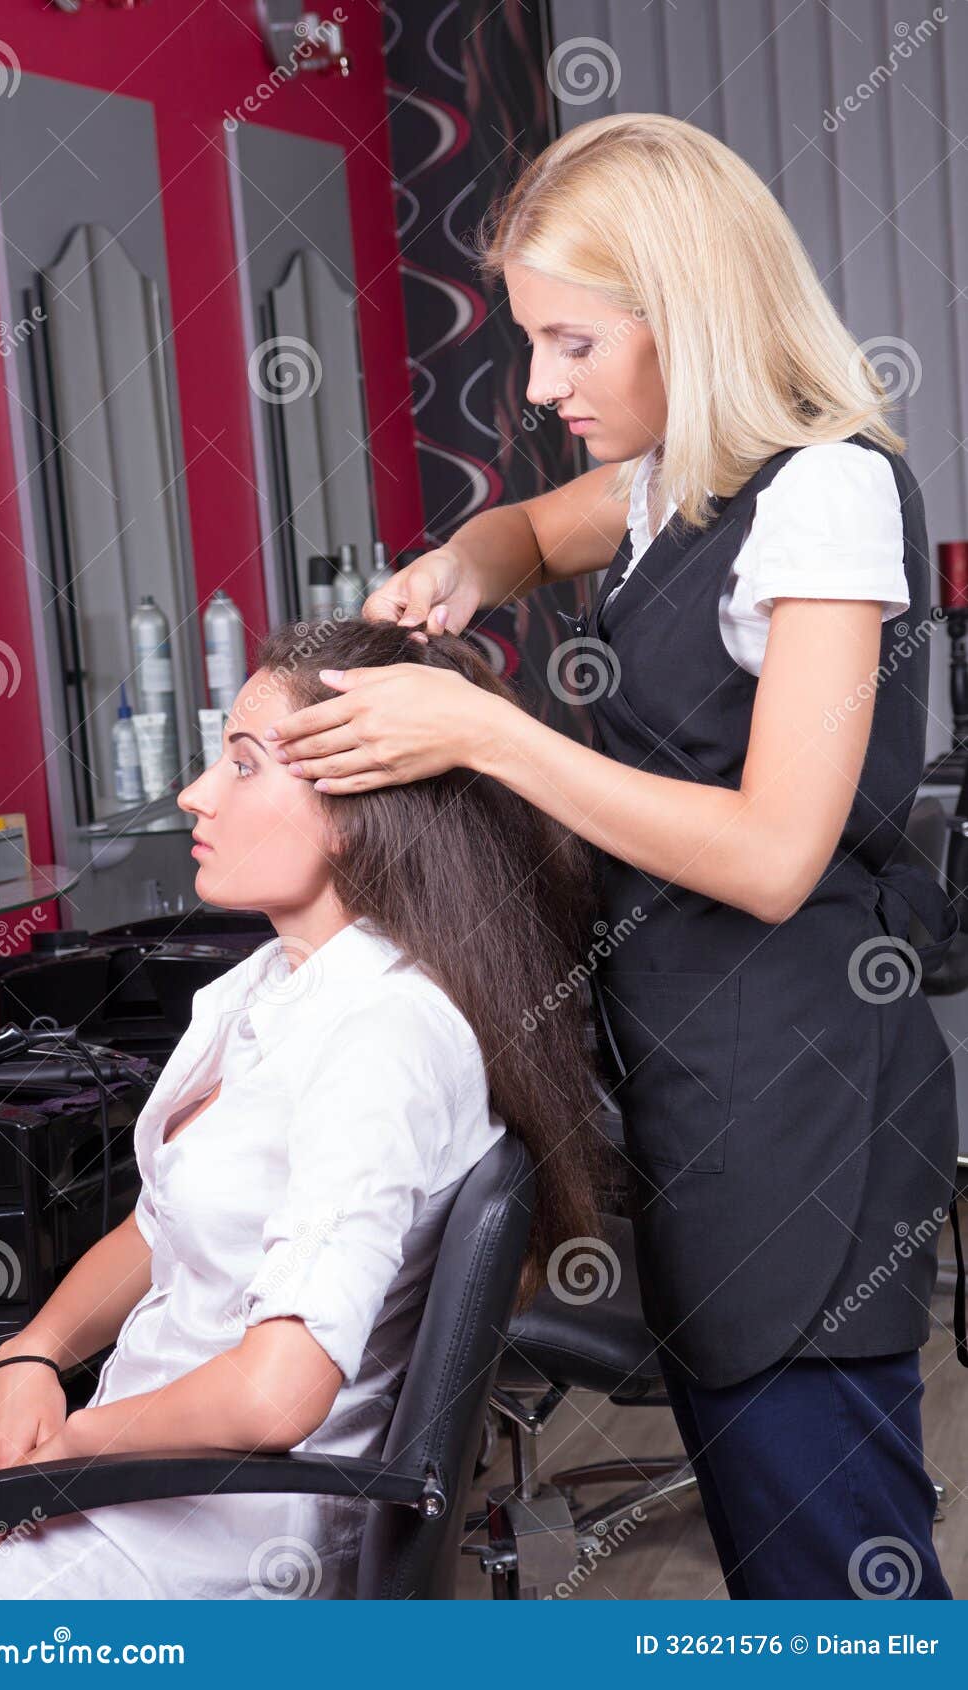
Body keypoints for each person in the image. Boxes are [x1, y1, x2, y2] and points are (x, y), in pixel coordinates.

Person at [262, 113, 965, 1599]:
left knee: (830, 1584)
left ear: (688, 310)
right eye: (529, 340)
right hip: (706, 1098)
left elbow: (775, 851)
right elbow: (523, 532)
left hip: (802, 1114)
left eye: (571, 342)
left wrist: (487, 734)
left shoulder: (818, 493)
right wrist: (467, 560)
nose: (537, 384)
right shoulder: (670, 483)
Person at [0, 621, 606, 1601]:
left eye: (241, 765)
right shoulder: (270, 982)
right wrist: (36, 1353)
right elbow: (164, 1223)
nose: (196, 793)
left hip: (200, 1563)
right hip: (115, 1518)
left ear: (355, 810)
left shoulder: (381, 1039)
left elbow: (280, 1391)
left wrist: (68, 1451)